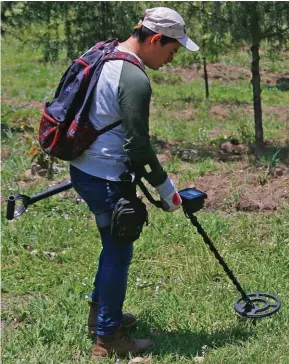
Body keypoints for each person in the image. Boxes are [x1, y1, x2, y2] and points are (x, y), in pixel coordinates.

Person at [68, 7, 199, 359]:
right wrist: (167, 189)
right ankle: (108, 339)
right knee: (118, 251)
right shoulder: (135, 79)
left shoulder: (105, 54)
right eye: (172, 51)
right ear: (155, 39)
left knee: (111, 247)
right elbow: (138, 146)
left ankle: (102, 318)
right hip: (106, 176)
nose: (172, 59)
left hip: (84, 169)